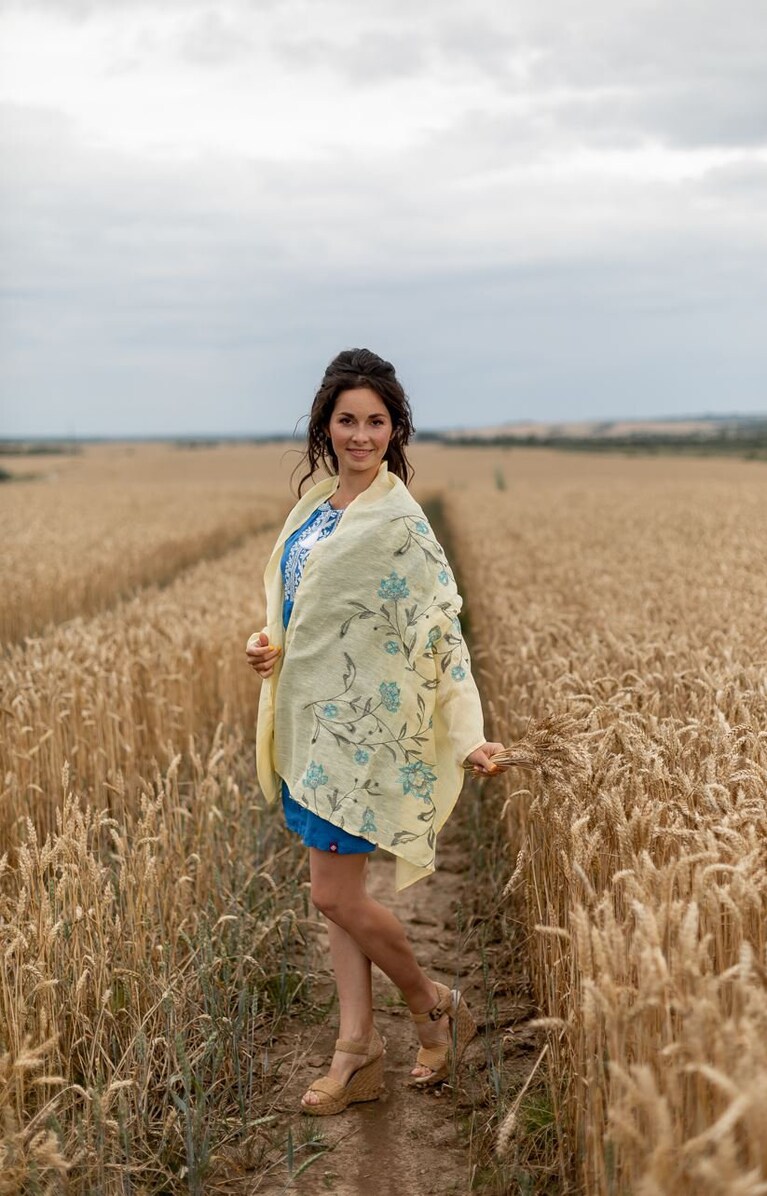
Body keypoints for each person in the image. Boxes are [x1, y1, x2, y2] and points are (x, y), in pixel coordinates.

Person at [246, 348, 504, 1115]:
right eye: (347, 420)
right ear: (326, 426)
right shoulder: (315, 512)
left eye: (376, 422)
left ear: (396, 431)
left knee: (332, 897)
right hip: (308, 729)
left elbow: (438, 636)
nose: (360, 435)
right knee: (339, 892)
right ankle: (356, 1051)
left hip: (362, 737)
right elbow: (304, 615)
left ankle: (433, 1005)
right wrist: (268, 648)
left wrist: (469, 735)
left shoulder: (400, 523)